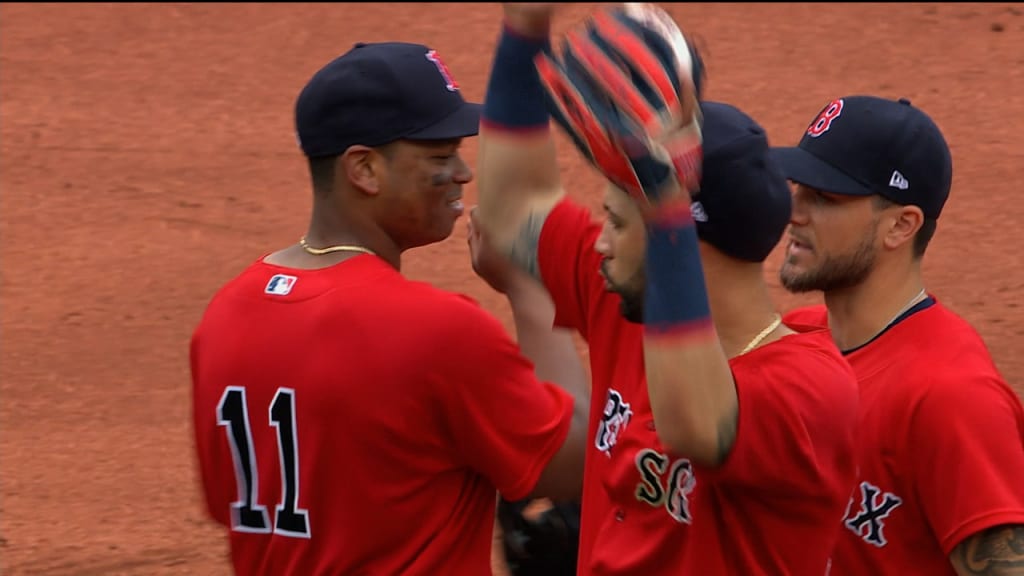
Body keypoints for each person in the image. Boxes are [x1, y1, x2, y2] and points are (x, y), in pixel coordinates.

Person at [471, 4, 860, 574]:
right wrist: (523, 31)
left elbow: (693, 425)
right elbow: (511, 216)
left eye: (620, 222)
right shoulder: (627, 305)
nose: (600, 243)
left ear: (679, 238)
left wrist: (664, 209)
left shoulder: (808, 387)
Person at [189, 40, 590, 576]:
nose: (463, 174)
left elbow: (234, 507)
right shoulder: (436, 329)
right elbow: (577, 460)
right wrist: (530, 286)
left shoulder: (225, 315)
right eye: (440, 156)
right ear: (365, 170)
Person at [774, 94, 1024, 575]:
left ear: (900, 226)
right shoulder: (797, 341)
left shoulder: (951, 397)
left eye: (824, 198)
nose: (794, 212)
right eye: (797, 187)